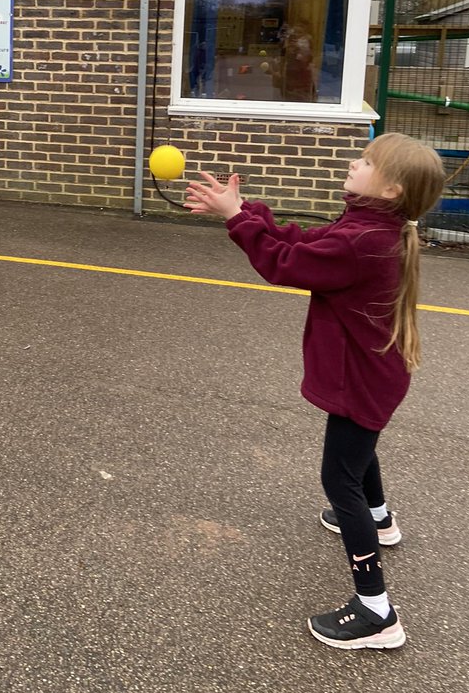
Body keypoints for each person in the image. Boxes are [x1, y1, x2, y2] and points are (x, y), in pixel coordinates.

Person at [184, 132, 445, 650]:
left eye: (366, 161)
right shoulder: (370, 226)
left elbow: (286, 264)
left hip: (362, 378)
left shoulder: (362, 241)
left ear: (391, 189)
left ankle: (377, 611)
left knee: (338, 478)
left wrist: (238, 220)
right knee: (357, 450)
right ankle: (380, 518)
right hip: (372, 375)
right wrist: (246, 210)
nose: (354, 162)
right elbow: (305, 241)